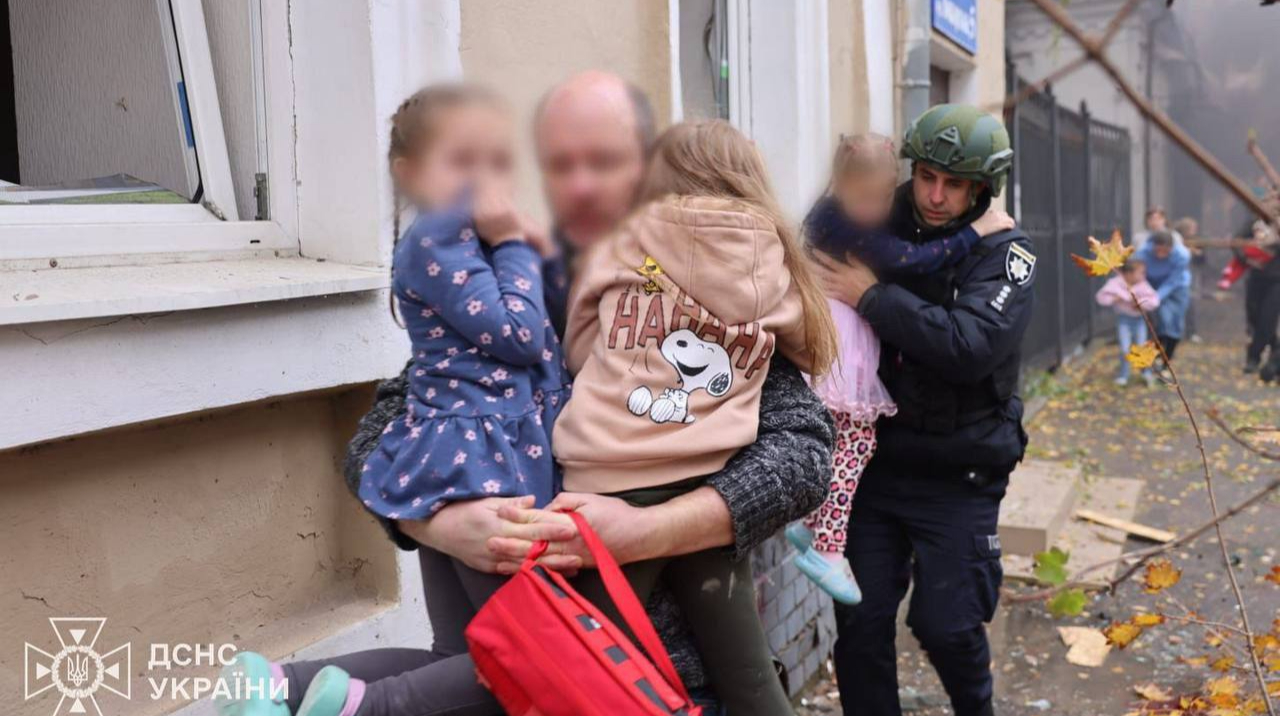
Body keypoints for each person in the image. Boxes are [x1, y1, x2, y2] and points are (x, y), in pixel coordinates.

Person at [217, 71, 833, 716]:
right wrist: (441, 523)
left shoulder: (704, 296)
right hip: (535, 660)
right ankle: (287, 689)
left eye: (606, 162)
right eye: (561, 165)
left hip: (656, 681)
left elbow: (803, 453)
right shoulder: (524, 282)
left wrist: (648, 530)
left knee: (503, 661)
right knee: (477, 661)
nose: (582, 184)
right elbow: (383, 430)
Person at [552, 119, 837, 715]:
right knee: (748, 673)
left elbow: (578, 342)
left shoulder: (622, 240)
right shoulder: (769, 258)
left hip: (607, 477)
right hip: (709, 479)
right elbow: (814, 348)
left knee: (585, 672)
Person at [813, 103, 1032, 716]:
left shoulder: (1005, 250)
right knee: (860, 627)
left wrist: (872, 297)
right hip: (874, 468)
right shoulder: (872, 216)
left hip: (960, 473)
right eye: (927, 177)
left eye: (954, 184)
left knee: (947, 626)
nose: (935, 196)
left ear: (983, 187)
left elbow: (970, 347)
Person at [783, 132, 1014, 606]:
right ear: (841, 186)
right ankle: (827, 548)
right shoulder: (851, 226)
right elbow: (915, 259)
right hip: (842, 350)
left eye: (884, 196)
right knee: (852, 446)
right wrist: (976, 231)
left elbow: (969, 343)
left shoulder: (828, 212)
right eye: (866, 196)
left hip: (838, 341)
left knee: (844, 443)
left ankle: (812, 528)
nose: (878, 209)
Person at [1095, 258, 1160, 386]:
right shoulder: (1115, 284)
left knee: (1141, 347)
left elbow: (1154, 301)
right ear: (1129, 274)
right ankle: (1123, 375)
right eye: (1141, 273)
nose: (1144, 276)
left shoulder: (1143, 285)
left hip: (1139, 320)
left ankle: (1146, 373)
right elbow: (1101, 298)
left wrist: (1140, 304)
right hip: (1124, 320)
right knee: (1125, 348)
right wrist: (1115, 298)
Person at [1135, 231, 1192, 364]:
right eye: (1158, 250)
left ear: (1171, 248)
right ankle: (1156, 356)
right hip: (1152, 286)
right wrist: (1148, 293)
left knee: (1176, 321)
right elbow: (1140, 275)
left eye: (1165, 251)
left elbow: (1173, 281)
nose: (1161, 254)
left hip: (1177, 287)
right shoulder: (1142, 254)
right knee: (1162, 320)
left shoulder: (1182, 256)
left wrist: (1157, 296)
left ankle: (1168, 358)